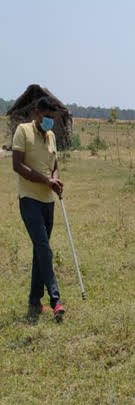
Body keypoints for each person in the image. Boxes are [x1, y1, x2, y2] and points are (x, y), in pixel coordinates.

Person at [11, 97, 66, 320]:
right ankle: (56, 300)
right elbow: (17, 165)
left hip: (48, 203)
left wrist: (56, 181)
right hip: (29, 200)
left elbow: (54, 166)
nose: (50, 122)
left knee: (39, 252)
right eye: (47, 117)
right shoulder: (22, 131)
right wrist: (46, 181)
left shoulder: (51, 136)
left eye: (53, 119)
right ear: (37, 113)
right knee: (45, 249)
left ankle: (35, 301)